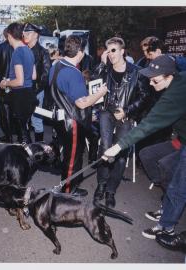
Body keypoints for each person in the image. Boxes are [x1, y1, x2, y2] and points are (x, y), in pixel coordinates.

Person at [103, 55, 186, 248]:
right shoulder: (176, 81)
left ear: (169, 76)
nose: (150, 81)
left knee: (178, 185)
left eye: (155, 79)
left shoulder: (176, 94)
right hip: (181, 140)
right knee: (150, 156)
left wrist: (116, 147)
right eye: (149, 77)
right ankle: (168, 204)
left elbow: (149, 125)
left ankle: (167, 227)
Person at [92, 37, 148, 208]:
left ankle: (111, 190)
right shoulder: (104, 69)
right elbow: (92, 83)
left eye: (113, 50)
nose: (110, 54)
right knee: (105, 148)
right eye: (107, 51)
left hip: (125, 115)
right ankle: (101, 185)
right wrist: (101, 64)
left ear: (122, 51)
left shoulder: (137, 71)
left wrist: (127, 110)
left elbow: (144, 96)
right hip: (106, 113)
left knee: (121, 154)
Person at [49, 35, 107, 197]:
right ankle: (67, 192)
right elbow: (82, 103)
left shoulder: (57, 65)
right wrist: (100, 93)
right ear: (80, 52)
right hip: (72, 120)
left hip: (61, 118)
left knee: (69, 155)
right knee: (73, 158)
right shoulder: (73, 73)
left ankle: (70, 186)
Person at [0, 22, 37, 144]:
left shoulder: (17, 52)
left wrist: (6, 83)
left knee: (23, 136)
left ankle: (29, 159)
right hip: (29, 94)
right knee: (25, 131)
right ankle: (31, 156)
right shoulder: (29, 50)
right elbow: (33, 76)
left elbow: (19, 81)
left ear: (10, 35)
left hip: (20, 97)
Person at [23, 22, 51, 142]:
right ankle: (27, 148)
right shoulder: (22, 50)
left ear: (35, 35)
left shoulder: (43, 52)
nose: (25, 35)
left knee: (36, 120)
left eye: (28, 33)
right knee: (23, 119)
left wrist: (34, 91)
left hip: (37, 92)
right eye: (24, 33)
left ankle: (40, 149)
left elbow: (46, 75)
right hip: (23, 90)